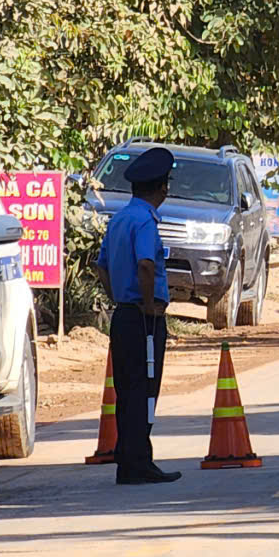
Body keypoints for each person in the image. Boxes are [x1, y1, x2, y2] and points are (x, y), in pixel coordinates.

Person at [95, 147, 183, 484]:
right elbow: (146, 265)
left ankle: (128, 461)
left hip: (123, 315)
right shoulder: (145, 221)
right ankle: (140, 462)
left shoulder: (119, 219)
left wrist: (117, 296)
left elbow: (102, 266)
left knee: (127, 390)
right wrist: (147, 304)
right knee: (145, 389)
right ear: (162, 189)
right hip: (145, 319)